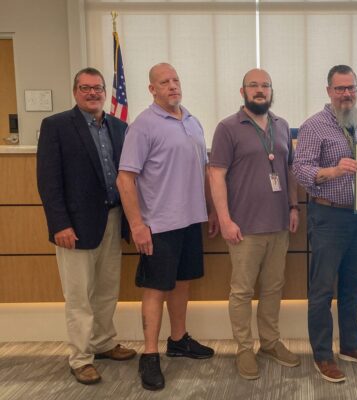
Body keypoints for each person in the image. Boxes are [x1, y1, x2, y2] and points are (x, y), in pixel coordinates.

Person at [116, 63, 218, 391]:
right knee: (156, 288)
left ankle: (178, 341)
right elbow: (125, 178)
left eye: (176, 79)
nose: (172, 86)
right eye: (164, 82)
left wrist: (211, 209)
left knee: (182, 283)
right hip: (158, 224)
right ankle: (149, 355)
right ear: (152, 89)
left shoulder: (192, 120)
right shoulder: (143, 126)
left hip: (190, 220)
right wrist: (137, 225)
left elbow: (203, 171)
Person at [37, 67, 136, 385]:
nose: (92, 93)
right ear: (75, 91)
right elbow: (48, 182)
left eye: (97, 88)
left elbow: (128, 177)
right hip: (75, 227)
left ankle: (103, 343)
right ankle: (80, 357)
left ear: (105, 91)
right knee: (79, 295)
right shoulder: (56, 126)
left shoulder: (119, 126)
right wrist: (59, 224)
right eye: (85, 88)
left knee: (107, 290)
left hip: (113, 219)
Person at [292, 65, 357, 383]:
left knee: (354, 285)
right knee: (321, 290)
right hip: (328, 215)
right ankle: (322, 355)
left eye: (351, 88)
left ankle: (351, 346)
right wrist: (332, 171)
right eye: (340, 88)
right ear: (328, 90)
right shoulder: (314, 126)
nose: (346, 94)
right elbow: (300, 169)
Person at [209, 68, 301, 380]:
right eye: (253, 85)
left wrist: (293, 206)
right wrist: (224, 219)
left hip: (278, 225)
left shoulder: (282, 125)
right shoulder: (227, 128)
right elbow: (216, 175)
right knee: (242, 291)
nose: (260, 90)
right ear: (242, 91)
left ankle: (271, 342)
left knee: (274, 288)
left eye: (265, 86)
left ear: (271, 91)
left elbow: (287, 171)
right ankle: (244, 348)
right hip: (243, 228)